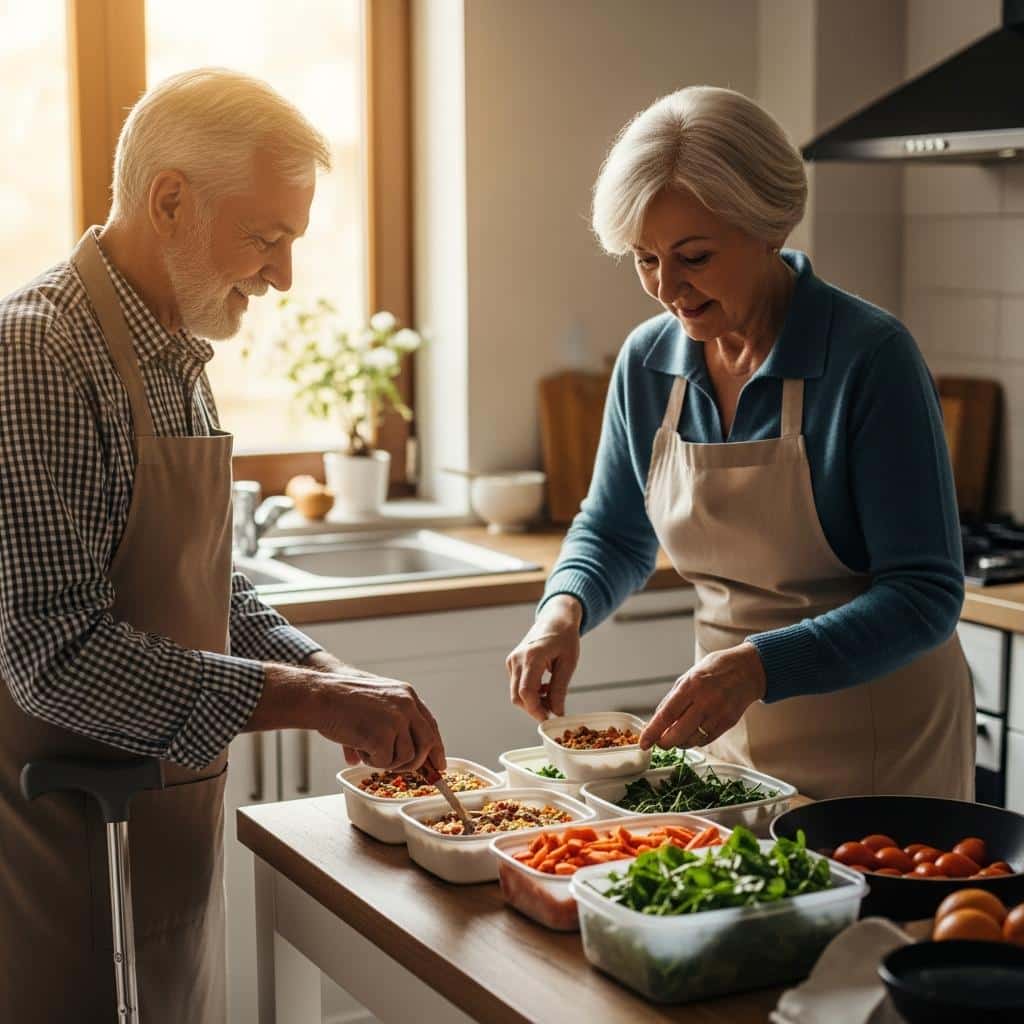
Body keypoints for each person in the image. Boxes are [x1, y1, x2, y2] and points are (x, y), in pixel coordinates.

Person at [0, 68, 444, 1024]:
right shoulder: (37, 352)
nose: (283, 275)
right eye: (266, 237)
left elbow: (212, 590)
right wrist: (311, 700)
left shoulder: (178, 352)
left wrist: (335, 677)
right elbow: (53, 654)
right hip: (64, 847)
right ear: (169, 201)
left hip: (164, 830)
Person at [506, 85, 974, 804]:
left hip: (884, 750)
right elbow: (613, 531)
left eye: (692, 256)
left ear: (769, 228)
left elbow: (925, 595)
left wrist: (759, 665)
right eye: (644, 259)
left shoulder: (869, 357)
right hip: (728, 738)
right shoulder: (648, 361)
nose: (668, 289)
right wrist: (561, 611)